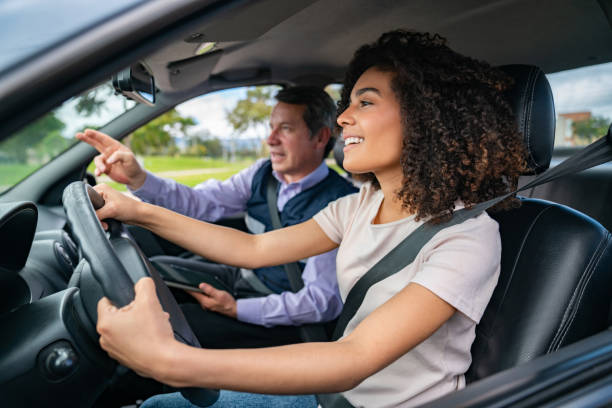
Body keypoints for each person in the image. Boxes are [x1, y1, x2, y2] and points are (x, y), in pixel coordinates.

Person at [95, 30, 527, 407]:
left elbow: (353, 358)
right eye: (348, 102)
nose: (343, 118)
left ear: (426, 120)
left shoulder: (468, 237)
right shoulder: (358, 205)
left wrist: (173, 362)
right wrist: (137, 210)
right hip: (334, 398)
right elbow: (255, 248)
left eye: (366, 102)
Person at [77, 86, 358, 348]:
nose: (270, 139)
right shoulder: (263, 174)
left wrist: (237, 310)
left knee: (179, 329)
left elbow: (321, 301)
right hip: (244, 277)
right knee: (155, 271)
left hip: (284, 315)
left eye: (285, 129)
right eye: (271, 127)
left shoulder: (338, 203)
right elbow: (200, 202)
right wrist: (139, 179)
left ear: (320, 137)